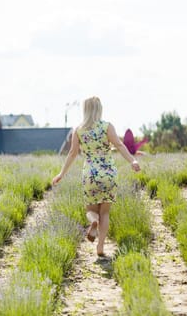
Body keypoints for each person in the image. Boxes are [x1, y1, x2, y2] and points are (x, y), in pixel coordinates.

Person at [52, 96, 140, 257]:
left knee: (91, 210)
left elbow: (72, 154)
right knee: (105, 212)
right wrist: (132, 161)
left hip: (90, 174)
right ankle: (100, 246)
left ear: (84, 110)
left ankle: (93, 221)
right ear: (99, 109)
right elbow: (120, 145)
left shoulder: (78, 130)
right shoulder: (107, 127)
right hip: (108, 174)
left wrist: (61, 174)